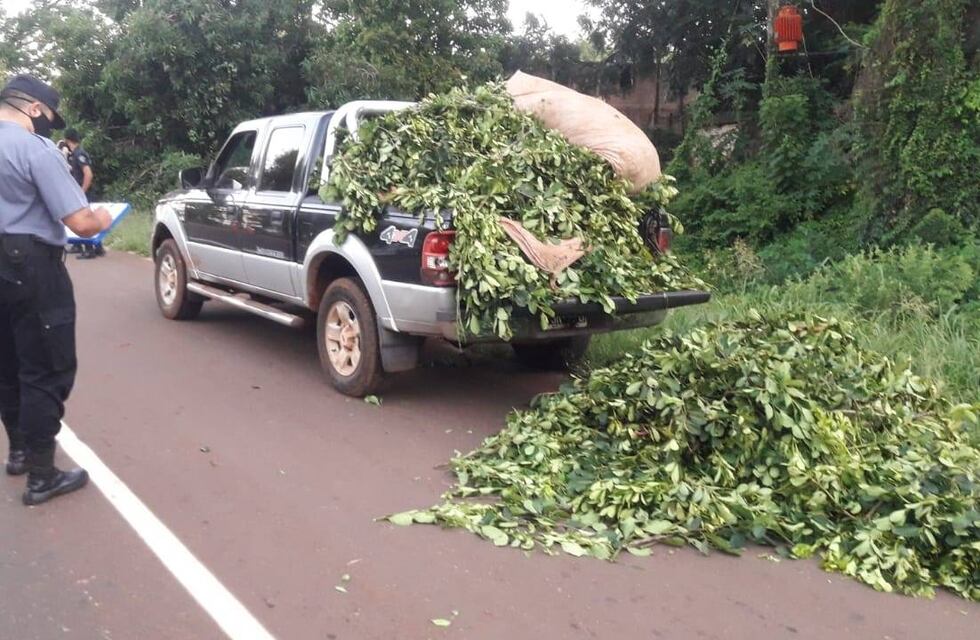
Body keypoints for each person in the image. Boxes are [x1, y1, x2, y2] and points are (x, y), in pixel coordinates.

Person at [0, 74, 112, 506]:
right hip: (30, 265)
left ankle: (20, 452)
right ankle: (42, 476)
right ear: (33, 108)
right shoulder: (36, 149)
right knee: (45, 368)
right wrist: (103, 217)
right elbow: (80, 223)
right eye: (49, 114)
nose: (49, 123)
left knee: (7, 364)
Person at [62, 128, 103, 259]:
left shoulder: (79, 154)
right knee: (86, 218)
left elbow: (88, 174)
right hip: (79, 191)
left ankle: (90, 249)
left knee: (84, 220)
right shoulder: (74, 154)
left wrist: (82, 191)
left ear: (67, 140)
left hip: (83, 192)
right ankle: (90, 246)